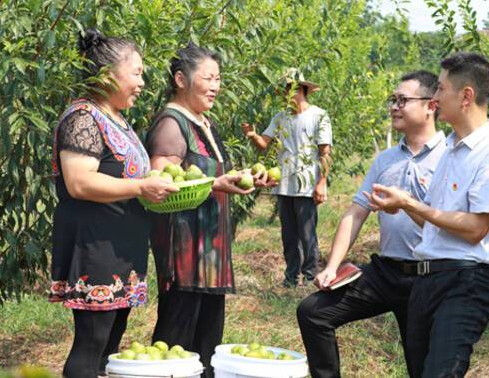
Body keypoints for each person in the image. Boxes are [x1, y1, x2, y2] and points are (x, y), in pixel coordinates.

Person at [365, 52, 489, 377]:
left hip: (465, 282)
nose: (434, 98)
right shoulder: (451, 150)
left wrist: (410, 204)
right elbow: (436, 225)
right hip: (428, 281)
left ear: (466, 96)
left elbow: (476, 228)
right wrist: (404, 207)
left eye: (440, 89)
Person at [296, 71, 445, 378]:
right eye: (393, 100)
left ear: (432, 105)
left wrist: (405, 202)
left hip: (429, 278)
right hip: (385, 273)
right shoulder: (386, 160)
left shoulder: (450, 158)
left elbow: (444, 227)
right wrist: (332, 266)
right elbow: (356, 212)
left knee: (423, 367)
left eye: (403, 100)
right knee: (313, 312)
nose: (394, 106)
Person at [48, 28, 178, 378]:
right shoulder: (83, 118)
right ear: (107, 75)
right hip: (96, 247)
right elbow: (79, 181)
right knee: (91, 343)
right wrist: (139, 187)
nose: (142, 83)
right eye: (136, 73)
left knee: (109, 343)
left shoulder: (117, 120)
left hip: (122, 248)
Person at [145, 43, 271, 378]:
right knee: (177, 338)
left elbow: (206, 175)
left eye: (219, 78)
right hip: (185, 249)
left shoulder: (202, 121)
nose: (216, 85)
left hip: (209, 249)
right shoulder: (172, 124)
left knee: (207, 341)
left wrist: (243, 178)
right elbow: (163, 184)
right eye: (209, 77)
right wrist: (217, 184)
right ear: (181, 80)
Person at [241, 68, 332, 287]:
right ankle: (291, 277)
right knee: (289, 235)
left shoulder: (319, 116)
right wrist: (253, 135)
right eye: (284, 90)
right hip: (283, 184)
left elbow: (325, 153)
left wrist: (321, 183)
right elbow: (264, 144)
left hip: (306, 184)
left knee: (307, 233)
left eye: (289, 89)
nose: (285, 94)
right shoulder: (280, 118)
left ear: (300, 90)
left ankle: (310, 277)